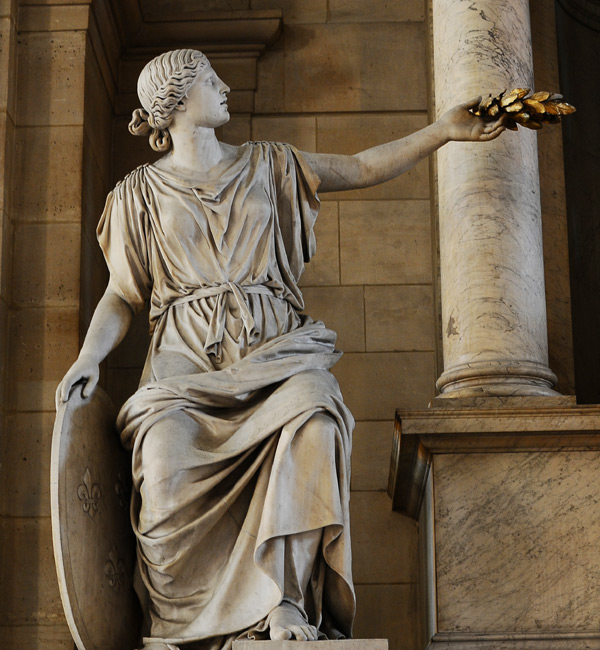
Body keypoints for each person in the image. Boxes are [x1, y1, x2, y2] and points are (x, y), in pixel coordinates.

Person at [56, 49, 505, 650]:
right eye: (211, 80)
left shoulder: (271, 165)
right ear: (179, 99)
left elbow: (362, 166)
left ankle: (284, 600)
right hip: (185, 362)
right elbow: (120, 295)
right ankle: (182, 625)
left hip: (277, 349)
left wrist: (442, 132)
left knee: (315, 415)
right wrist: (88, 356)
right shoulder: (136, 196)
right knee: (162, 463)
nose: (226, 87)